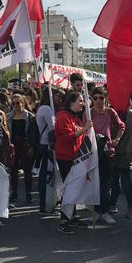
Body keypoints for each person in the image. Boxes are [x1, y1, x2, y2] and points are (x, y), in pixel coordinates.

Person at [54, 91, 93, 235]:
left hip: (74, 157)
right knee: (69, 188)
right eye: (80, 101)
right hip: (65, 157)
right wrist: (85, 129)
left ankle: (73, 216)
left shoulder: (74, 117)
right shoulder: (64, 117)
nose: (82, 104)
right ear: (71, 102)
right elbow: (68, 137)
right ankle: (64, 220)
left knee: (74, 188)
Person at [90, 87, 125, 224]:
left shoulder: (110, 112)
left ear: (106, 99)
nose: (98, 101)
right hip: (93, 152)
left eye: (101, 98)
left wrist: (116, 139)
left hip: (107, 152)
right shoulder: (89, 112)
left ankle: (104, 211)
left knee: (106, 184)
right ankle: (97, 211)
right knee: (94, 183)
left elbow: (122, 126)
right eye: (95, 98)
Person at [7, 94, 36, 206]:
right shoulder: (9, 116)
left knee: (27, 169)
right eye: (13, 103)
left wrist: (32, 146)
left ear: (23, 103)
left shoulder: (29, 116)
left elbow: (34, 134)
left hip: (25, 143)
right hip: (13, 143)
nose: (15, 105)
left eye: (18, 103)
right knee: (13, 169)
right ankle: (14, 192)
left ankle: (28, 193)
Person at [35, 88, 56, 215]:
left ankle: (46, 204)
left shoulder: (44, 108)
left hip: (45, 144)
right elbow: (52, 127)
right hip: (47, 145)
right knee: (46, 176)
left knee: (46, 175)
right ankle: (44, 205)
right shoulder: (47, 109)